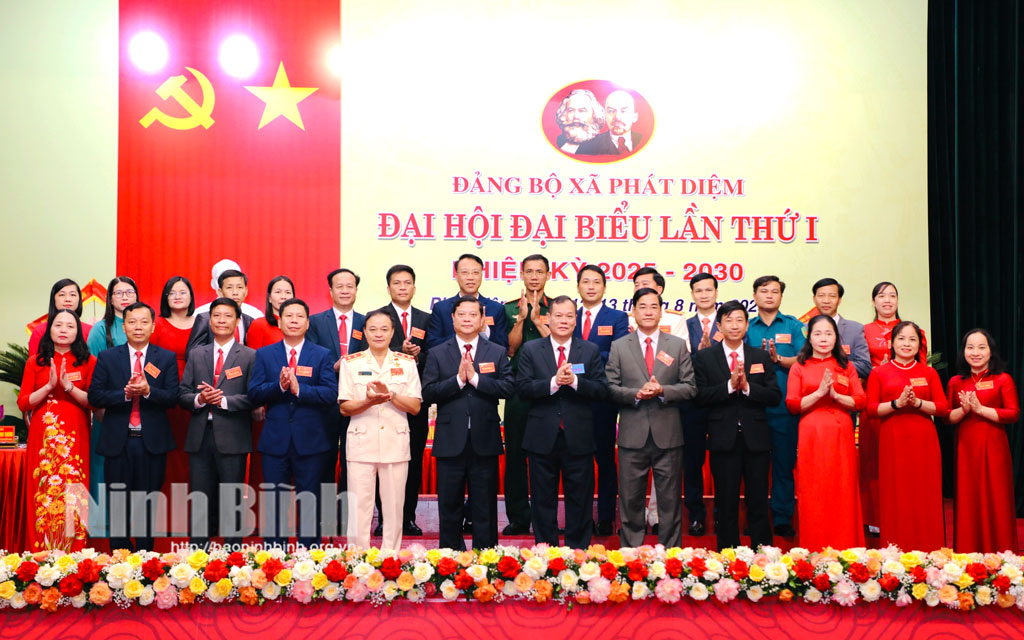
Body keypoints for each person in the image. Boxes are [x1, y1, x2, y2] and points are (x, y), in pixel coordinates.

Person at [606, 287, 696, 548]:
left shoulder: (677, 345)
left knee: (670, 501)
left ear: (661, 312)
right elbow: (610, 387)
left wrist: (662, 390)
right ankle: (631, 554)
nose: (648, 312)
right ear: (633, 312)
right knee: (630, 500)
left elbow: (690, 387)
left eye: (653, 306)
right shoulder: (619, 346)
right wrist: (636, 393)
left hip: (668, 436)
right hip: (632, 436)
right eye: (642, 306)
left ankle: (670, 556)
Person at [422, 296, 514, 551]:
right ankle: (450, 559)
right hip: (450, 440)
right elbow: (427, 392)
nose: (467, 319)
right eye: (461, 314)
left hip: (485, 440)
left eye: (473, 315)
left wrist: (476, 380)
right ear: (452, 319)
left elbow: (508, 388)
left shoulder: (496, 351)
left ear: (482, 319)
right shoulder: (437, 353)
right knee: (449, 505)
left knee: (485, 506)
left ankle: (486, 560)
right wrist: (458, 381)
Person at [516, 295, 607, 549]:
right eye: (558, 316)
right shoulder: (532, 349)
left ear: (576, 320)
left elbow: (602, 389)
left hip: (579, 437)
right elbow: (522, 388)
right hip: (541, 436)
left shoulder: (589, 350)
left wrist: (575, 382)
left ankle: (578, 554)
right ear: (548, 318)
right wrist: (553, 383)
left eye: (569, 316)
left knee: (580, 499)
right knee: (542, 500)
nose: (564, 320)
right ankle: (546, 554)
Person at [89, 302, 179, 552]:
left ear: (153, 326)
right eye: (132, 322)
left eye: (144, 322)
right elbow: (95, 395)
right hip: (118, 441)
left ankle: (145, 557)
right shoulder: (108, 357)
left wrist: (149, 391)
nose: (138, 327)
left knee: (147, 503)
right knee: (117, 503)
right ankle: (119, 557)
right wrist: (125, 395)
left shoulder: (165, 358)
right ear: (124, 327)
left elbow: (173, 397)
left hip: (152, 443)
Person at [248, 298, 338, 549]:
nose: (294, 321)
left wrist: (300, 390)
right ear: (279, 322)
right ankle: (274, 557)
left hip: (311, 442)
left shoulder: (321, 355)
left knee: (309, 503)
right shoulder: (265, 354)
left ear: (308, 323)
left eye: (300, 316)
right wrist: (279, 387)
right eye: (289, 316)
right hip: (275, 441)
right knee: (274, 504)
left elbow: (331, 394)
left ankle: (308, 557)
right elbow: (254, 393)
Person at [694, 300, 780, 551]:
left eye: (740, 320)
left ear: (747, 325)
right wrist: (730, 387)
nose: (734, 325)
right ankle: (728, 556)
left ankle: (763, 555)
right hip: (723, 438)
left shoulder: (760, 356)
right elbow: (699, 396)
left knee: (758, 499)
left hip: (756, 439)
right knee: (726, 500)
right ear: (719, 326)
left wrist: (748, 387)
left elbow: (774, 396)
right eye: (728, 320)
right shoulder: (705, 357)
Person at [339, 310, 421, 551]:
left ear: (393, 332)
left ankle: (390, 559)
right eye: (373, 329)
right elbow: (344, 408)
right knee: (359, 508)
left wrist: (391, 395)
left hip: (395, 443)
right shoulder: (351, 363)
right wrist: (369, 402)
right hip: (361, 444)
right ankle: (358, 560)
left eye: (384, 329)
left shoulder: (406, 363)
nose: (378, 334)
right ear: (364, 332)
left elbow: (415, 406)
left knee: (394, 508)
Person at [178, 298, 255, 549]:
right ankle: (198, 557)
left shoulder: (249, 356)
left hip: (233, 437)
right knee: (200, 501)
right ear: (209, 321)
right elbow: (183, 393)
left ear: (237, 321)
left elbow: (254, 397)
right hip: (200, 436)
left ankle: (234, 557)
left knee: (232, 501)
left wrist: (223, 401)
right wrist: (200, 399)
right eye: (217, 316)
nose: (222, 320)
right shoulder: (197, 354)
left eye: (228, 316)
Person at [785, 314, 866, 551]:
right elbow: (792, 404)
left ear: (836, 338)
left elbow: (860, 400)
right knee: (814, 489)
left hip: (841, 434)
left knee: (842, 488)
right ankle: (815, 547)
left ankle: (845, 546)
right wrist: (819, 393)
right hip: (812, 434)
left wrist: (836, 396)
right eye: (817, 334)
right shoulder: (799, 367)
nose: (823, 339)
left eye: (829, 334)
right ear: (809, 338)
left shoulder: (846, 366)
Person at [362, 265, 432, 537]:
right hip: (381, 403)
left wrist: (417, 356)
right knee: (383, 463)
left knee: (411, 462)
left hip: (413, 402)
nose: (402, 287)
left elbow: (436, 355)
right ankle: (384, 518)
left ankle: (408, 517)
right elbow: (367, 352)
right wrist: (396, 352)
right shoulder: (377, 317)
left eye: (407, 283)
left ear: (414, 287)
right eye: (397, 283)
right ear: (388, 287)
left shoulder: (427, 318)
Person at [17, 310, 95, 551]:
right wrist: (49, 386)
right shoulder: (35, 362)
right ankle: (41, 553)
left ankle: (75, 553)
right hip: (43, 435)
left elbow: (93, 401)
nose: (63, 330)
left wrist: (68, 386)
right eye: (58, 325)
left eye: (70, 326)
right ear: (49, 329)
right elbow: (23, 403)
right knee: (43, 489)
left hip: (76, 433)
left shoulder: (88, 361)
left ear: (78, 332)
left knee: (75, 490)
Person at [865, 321, 946, 551]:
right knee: (896, 494)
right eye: (901, 338)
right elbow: (871, 409)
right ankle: (896, 550)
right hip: (893, 439)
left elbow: (942, 407)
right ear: (891, 343)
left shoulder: (928, 372)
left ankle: (930, 549)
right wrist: (896, 404)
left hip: (924, 440)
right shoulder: (879, 373)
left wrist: (918, 403)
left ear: (919, 344)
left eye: (912, 339)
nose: (906, 344)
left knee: (924, 493)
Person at [860, 281, 928, 534]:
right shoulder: (863, 331)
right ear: (873, 301)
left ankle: (910, 513)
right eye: (881, 296)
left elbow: (922, 369)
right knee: (874, 462)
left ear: (898, 300)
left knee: (908, 463)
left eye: (892, 295)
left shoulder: (914, 331)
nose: (887, 300)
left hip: (908, 404)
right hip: (876, 402)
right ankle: (876, 517)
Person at [947, 329, 1020, 553]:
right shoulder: (956, 382)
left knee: (997, 497)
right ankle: (969, 554)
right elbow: (947, 417)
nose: (975, 352)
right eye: (970, 347)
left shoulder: (1002, 379)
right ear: (963, 352)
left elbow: (1013, 413)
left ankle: (1002, 554)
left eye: (981, 347)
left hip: (995, 448)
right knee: (969, 499)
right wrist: (964, 410)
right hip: (966, 449)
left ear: (990, 351)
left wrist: (980, 409)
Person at [744, 275, 805, 538]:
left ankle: (781, 517)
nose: (769, 295)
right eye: (764, 291)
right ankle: (755, 518)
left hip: (784, 409)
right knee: (753, 469)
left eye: (775, 291)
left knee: (783, 465)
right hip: (752, 409)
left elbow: (805, 358)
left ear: (781, 296)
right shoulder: (746, 326)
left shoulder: (793, 326)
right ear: (754, 296)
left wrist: (778, 359)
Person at [630, 267, 687, 534]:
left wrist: (661, 387)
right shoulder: (626, 322)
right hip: (634, 411)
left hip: (665, 409)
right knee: (632, 474)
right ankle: (635, 519)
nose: (639, 287)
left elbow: (683, 363)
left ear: (660, 291)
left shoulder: (675, 321)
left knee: (665, 476)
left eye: (646, 283)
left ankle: (656, 514)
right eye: (636, 284)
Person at [574, 264, 628, 535]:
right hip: (572, 399)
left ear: (605, 287)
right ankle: (580, 517)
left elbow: (616, 354)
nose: (591, 286)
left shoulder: (617, 317)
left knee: (605, 459)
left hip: (602, 401)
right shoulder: (568, 315)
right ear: (578, 287)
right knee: (576, 463)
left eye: (596, 282)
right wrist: (592, 359)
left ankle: (606, 516)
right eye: (586, 282)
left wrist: (580, 362)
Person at [502, 254, 553, 535]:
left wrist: (539, 320)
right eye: (529, 271)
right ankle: (519, 517)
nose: (534, 277)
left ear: (548, 275)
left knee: (548, 456)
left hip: (549, 390)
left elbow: (559, 344)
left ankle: (546, 518)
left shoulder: (556, 307)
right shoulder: (509, 308)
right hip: (518, 391)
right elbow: (510, 350)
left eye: (539, 272)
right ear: (521, 274)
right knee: (516, 456)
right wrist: (522, 320)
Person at [307, 268, 366, 494]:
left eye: (349, 286)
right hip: (325, 401)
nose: (345, 291)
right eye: (339, 286)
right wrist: (334, 367)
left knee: (354, 459)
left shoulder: (366, 322)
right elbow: (310, 360)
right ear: (330, 291)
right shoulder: (315, 322)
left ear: (356, 291)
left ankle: (347, 508)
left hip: (357, 401)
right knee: (325, 458)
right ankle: (326, 509)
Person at [86, 276, 138, 519]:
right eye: (119, 293)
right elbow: (92, 371)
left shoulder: (144, 324)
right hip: (108, 408)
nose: (124, 297)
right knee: (104, 464)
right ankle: (102, 522)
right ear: (110, 299)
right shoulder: (100, 329)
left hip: (141, 408)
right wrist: (98, 407)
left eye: (129, 292)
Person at [150, 276, 197, 525]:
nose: (178, 296)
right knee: (167, 455)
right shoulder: (157, 324)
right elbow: (149, 362)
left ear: (191, 296)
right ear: (165, 298)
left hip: (195, 397)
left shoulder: (202, 322)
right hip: (164, 397)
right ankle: (165, 516)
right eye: (172, 292)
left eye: (183, 292)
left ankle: (191, 514)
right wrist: (162, 383)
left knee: (193, 455)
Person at [679, 273, 720, 537]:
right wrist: (699, 355)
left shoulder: (729, 321)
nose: (704, 295)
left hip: (720, 401)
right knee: (692, 462)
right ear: (692, 295)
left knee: (720, 462)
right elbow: (678, 361)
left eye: (708, 290)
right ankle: (696, 515)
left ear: (716, 292)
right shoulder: (684, 325)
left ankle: (721, 515)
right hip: (692, 402)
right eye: (698, 291)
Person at [425, 253, 509, 350]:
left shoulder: (496, 308)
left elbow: (503, 347)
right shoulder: (441, 308)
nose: (470, 277)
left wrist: (484, 331)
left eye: (475, 272)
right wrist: (462, 335)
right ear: (456, 276)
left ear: (481, 276)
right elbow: (431, 345)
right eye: (465, 272)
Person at [185, 269, 257, 356]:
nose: (235, 292)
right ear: (220, 292)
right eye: (229, 287)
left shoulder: (250, 321)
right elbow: (192, 352)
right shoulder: (205, 319)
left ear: (246, 292)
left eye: (239, 287)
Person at [810, 278, 871, 379]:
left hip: (845, 387)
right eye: (821, 296)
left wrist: (831, 364)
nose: (826, 301)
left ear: (839, 300)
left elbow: (865, 367)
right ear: (814, 299)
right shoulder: (804, 328)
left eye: (832, 296)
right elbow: (800, 362)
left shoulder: (855, 329)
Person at [28, 278, 92, 354]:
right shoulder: (40, 331)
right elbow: (34, 360)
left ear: (79, 299)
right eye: (62, 295)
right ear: (53, 299)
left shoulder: (90, 331)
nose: (67, 299)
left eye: (73, 295)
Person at [577, 89, 644, 156]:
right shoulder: (588, 147)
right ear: (605, 116)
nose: (617, 117)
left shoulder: (643, 141)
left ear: (634, 117)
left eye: (623, 111)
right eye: (611, 111)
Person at [193, 259, 265, 319]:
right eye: (221, 278)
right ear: (212, 283)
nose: (234, 292)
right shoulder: (199, 315)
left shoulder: (255, 315)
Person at [245, 275, 295, 349]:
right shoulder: (259, 325)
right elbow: (253, 354)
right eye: (278, 292)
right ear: (269, 298)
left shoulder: (300, 324)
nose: (283, 296)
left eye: (288, 292)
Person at [554, 89, 604, 154]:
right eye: (571, 110)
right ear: (564, 114)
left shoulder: (602, 146)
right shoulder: (559, 140)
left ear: (594, 115)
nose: (576, 116)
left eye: (582, 111)